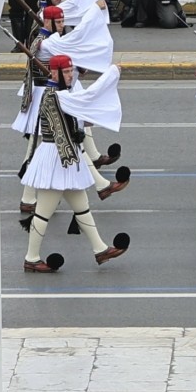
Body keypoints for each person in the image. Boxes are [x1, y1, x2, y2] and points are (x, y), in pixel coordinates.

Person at [17, 56, 134, 273]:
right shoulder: (56, 95)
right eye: (67, 72)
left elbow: (78, 114)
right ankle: (31, 258)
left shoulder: (63, 94)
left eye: (72, 71)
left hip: (65, 158)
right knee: (43, 213)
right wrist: (112, 73)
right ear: (54, 74)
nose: (72, 75)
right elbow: (89, 96)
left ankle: (100, 250)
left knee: (82, 208)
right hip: (55, 160)